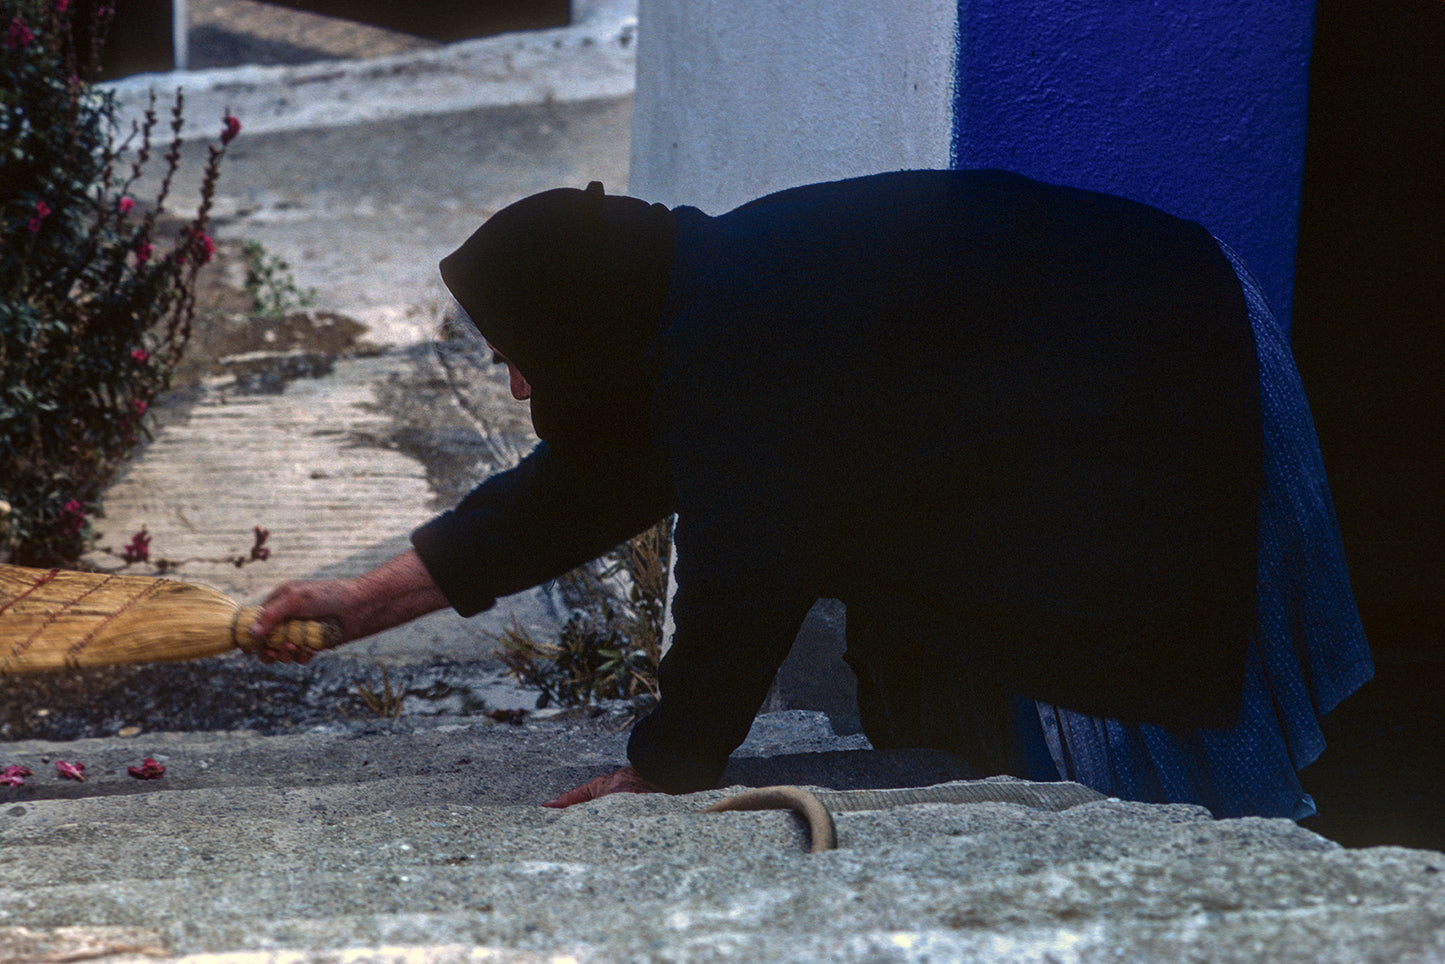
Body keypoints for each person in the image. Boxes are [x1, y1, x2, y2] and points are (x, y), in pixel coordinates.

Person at [251, 170, 1372, 820]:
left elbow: (746, 567)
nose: (516, 378)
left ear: (573, 321)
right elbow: (573, 489)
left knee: (1145, 718)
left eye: (516, 348)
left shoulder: (731, 335)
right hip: (1127, 336)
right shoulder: (675, 307)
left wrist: (669, 764)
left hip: (1162, 364)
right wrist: (363, 601)